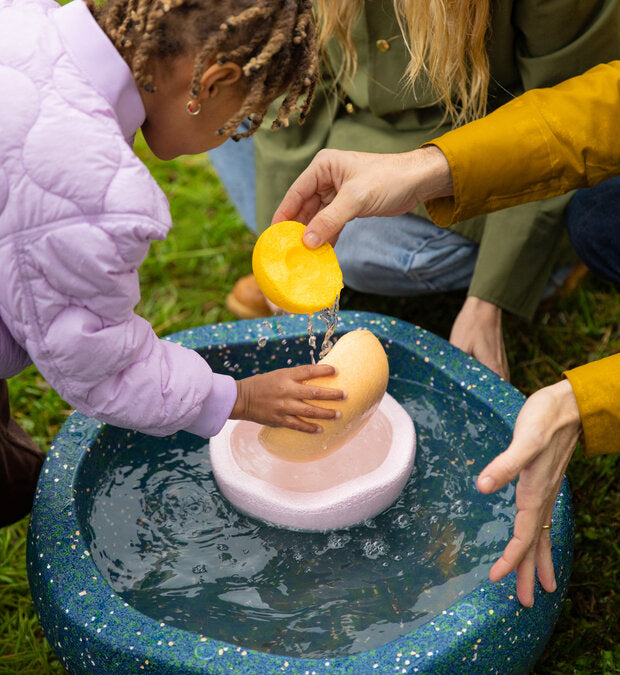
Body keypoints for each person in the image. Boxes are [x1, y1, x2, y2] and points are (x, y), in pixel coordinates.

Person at [270, 59, 620, 608]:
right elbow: (603, 103)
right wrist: (429, 169)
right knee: (601, 217)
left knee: (590, 219)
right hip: (396, 137)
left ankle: (547, 263)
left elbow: (553, 75)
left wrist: (582, 404)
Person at [0, 0, 346, 528]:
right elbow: (102, 366)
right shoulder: (91, 194)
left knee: (18, 479)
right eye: (244, 115)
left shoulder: (21, 15)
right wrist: (237, 396)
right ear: (211, 81)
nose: (236, 133)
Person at [213, 0, 619, 382]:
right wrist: (281, 251)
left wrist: (490, 300)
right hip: (347, 127)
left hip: (481, 142)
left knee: (365, 253)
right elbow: (294, 81)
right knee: (220, 107)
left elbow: (567, 126)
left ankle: (550, 263)